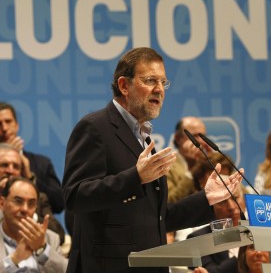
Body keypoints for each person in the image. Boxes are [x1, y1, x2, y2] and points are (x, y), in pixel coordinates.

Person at [62, 47, 243, 273]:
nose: (159, 89)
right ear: (124, 86)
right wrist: (135, 178)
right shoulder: (96, 128)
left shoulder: (143, 138)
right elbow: (75, 196)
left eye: (163, 82)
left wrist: (206, 198)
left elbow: (158, 218)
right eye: (150, 80)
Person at [0, 101, 64, 214]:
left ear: (16, 124)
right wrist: (8, 152)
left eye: (8, 121)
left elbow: (58, 204)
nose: (4, 128)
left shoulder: (42, 163)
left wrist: (29, 176)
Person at [0, 176, 67, 273]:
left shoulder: (50, 239)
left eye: (31, 204)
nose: (25, 209)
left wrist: (42, 250)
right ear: (2, 203)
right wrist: (13, 260)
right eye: (18, 201)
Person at [186, 187, 243, 273]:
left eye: (235, 198)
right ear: (211, 207)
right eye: (223, 201)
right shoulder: (197, 241)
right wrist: (242, 255)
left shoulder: (258, 231)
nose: (231, 207)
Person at [167, 116, 211, 203]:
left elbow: (241, 193)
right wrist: (192, 171)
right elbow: (170, 201)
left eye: (203, 136)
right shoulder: (167, 166)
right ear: (178, 138)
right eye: (194, 136)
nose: (201, 141)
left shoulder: (210, 162)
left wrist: (213, 161)